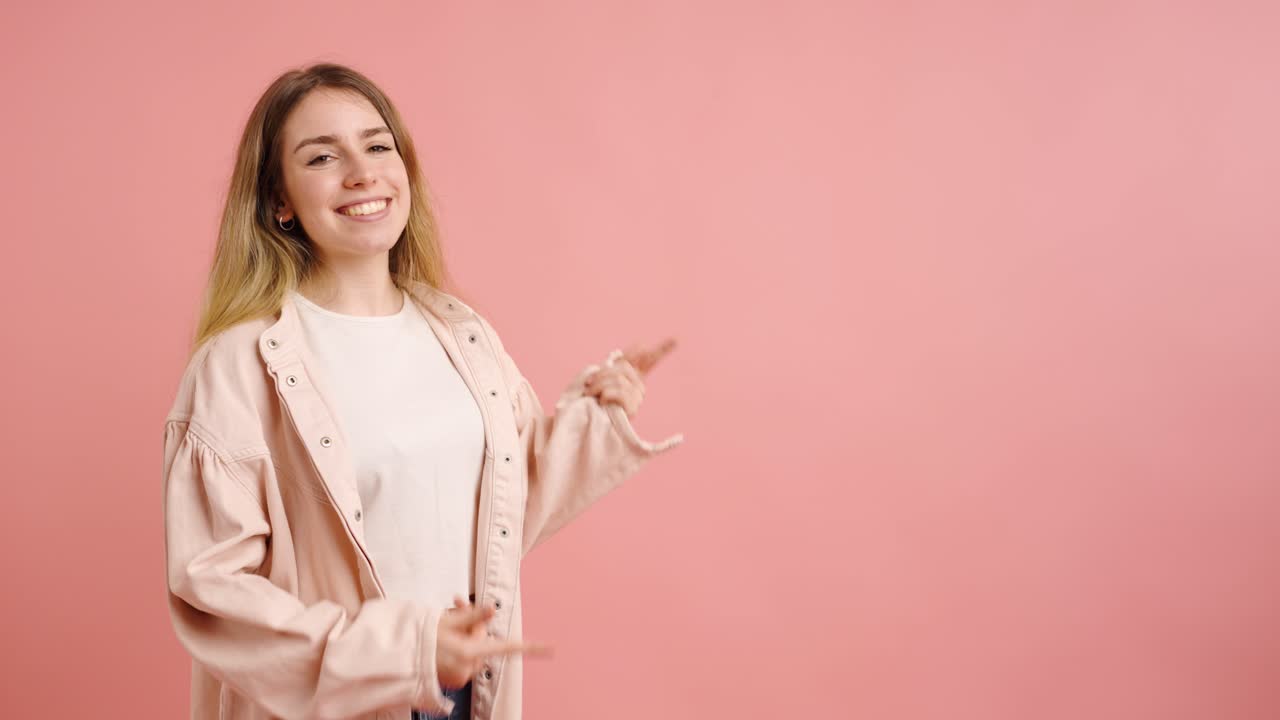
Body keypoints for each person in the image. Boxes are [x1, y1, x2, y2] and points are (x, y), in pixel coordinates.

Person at [161, 62, 684, 720]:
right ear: (279, 201)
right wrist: (404, 652)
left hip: (467, 695)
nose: (362, 172)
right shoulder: (234, 367)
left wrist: (597, 416)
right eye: (323, 156)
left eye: (378, 145)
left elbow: (504, 501)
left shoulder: (461, 334)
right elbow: (216, 594)